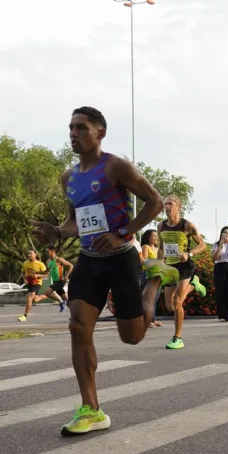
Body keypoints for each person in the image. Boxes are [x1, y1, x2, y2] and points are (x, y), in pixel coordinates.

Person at [31, 106, 178, 435]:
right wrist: (56, 231)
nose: (73, 133)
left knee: (133, 337)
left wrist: (124, 233)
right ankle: (91, 408)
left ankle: (154, 280)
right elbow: (75, 221)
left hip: (122, 258)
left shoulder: (115, 166)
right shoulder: (68, 178)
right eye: (70, 127)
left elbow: (154, 202)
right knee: (78, 326)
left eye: (81, 127)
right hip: (89, 261)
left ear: (100, 132)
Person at [157, 195, 207, 349]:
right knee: (169, 305)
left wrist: (189, 253)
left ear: (179, 207)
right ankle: (193, 286)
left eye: (170, 204)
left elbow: (202, 245)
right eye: (165, 205)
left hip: (185, 266)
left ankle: (177, 338)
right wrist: (160, 265)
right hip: (170, 267)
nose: (167, 207)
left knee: (178, 301)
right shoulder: (160, 226)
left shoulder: (187, 226)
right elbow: (160, 248)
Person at [34, 245, 73, 313]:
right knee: (66, 299)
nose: (46, 253)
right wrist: (37, 273)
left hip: (60, 281)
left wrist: (67, 275)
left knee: (47, 292)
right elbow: (46, 271)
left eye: (48, 251)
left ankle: (61, 302)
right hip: (55, 282)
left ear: (53, 251)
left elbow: (71, 265)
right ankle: (75, 313)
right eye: (46, 252)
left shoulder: (58, 260)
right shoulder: (49, 262)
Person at [140, 229, 163, 328]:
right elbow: (144, 260)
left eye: (156, 236)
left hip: (158, 274)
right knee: (148, 298)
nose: (156, 238)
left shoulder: (158, 249)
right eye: (154, 236)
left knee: (155, 298)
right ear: (148, 237)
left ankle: (152, 319)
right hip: (148, 274)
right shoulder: (146, 247)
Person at [18, 249, 48, 322]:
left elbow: (46, 275)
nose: (29, 255)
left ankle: (24, 316)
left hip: (36, 282)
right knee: (36, 299)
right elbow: (23, 272)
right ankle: (49, 295)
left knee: (29, 297)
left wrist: (37, 275)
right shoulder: (25, 263)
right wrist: (24, 279)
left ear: (35, 254)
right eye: (28, 253)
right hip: (29, 283)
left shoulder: (40, 264)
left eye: (31, 253)